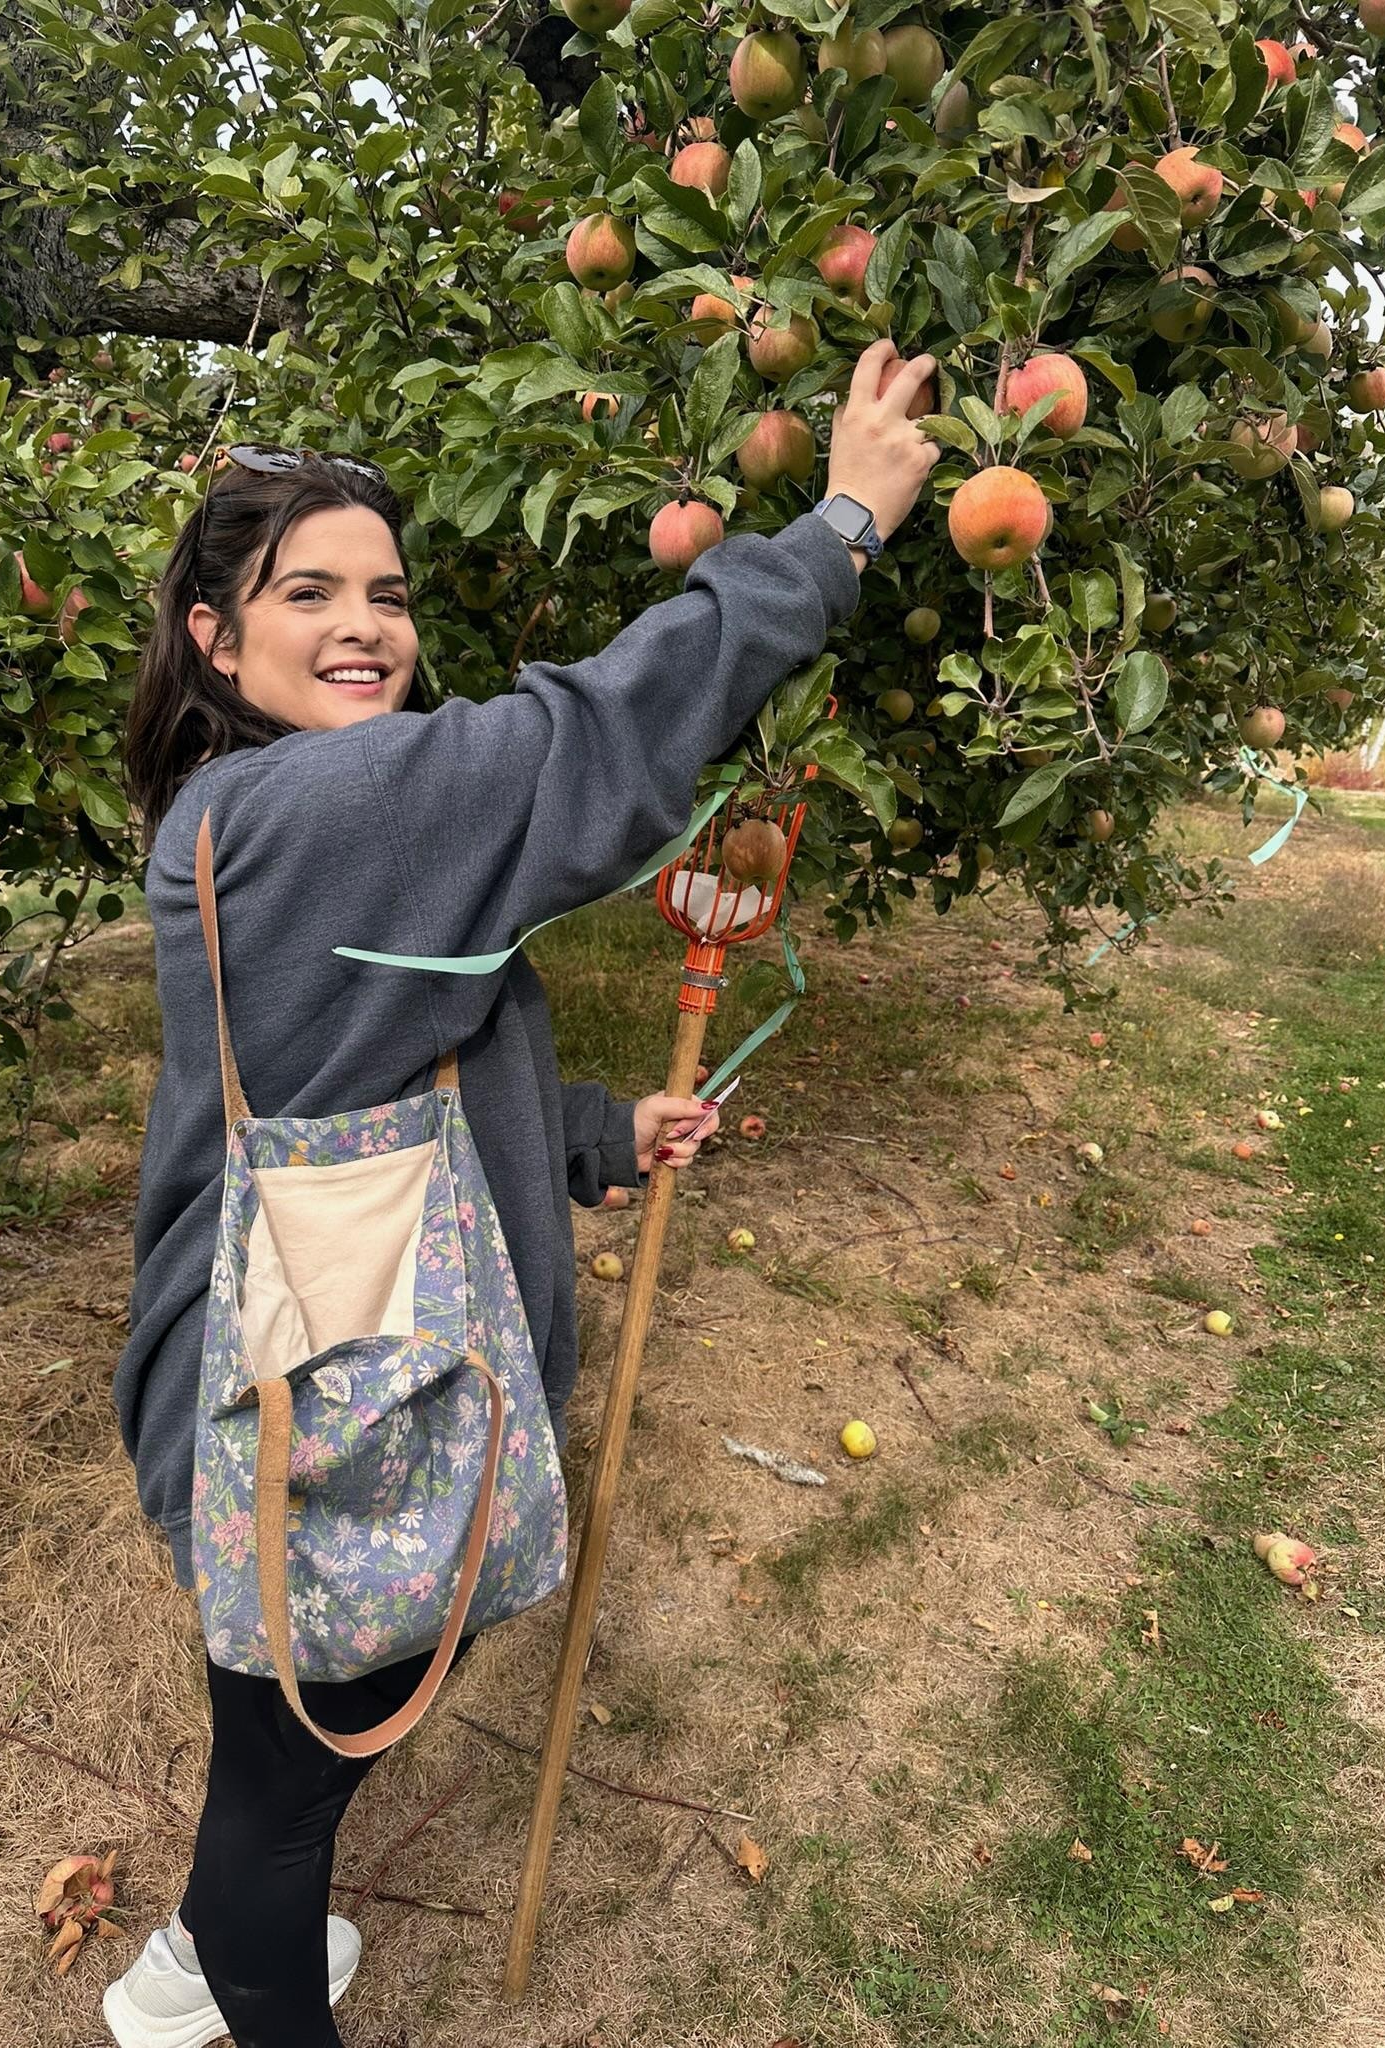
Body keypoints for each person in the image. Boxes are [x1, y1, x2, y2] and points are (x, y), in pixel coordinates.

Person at [103, 335, 939, 2048]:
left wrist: (575, 1136)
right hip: (320, 1396)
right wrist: (842, 524)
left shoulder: (252, 808)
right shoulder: (321, 801)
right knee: (287, 1772)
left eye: (389, 593)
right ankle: (232, 1985)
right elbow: (596, 734)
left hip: (304, 1351)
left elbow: (379, 1059)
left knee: (297, 1734)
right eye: (308, 591)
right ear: (214, 636)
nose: (368, 627)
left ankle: (202, 1956)